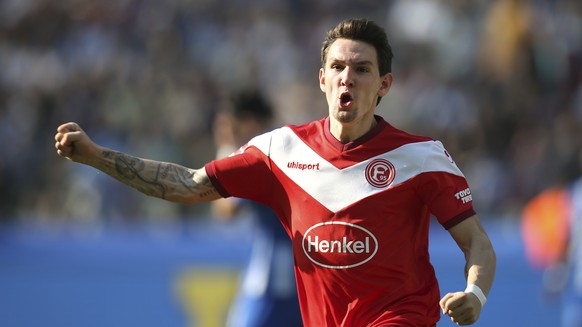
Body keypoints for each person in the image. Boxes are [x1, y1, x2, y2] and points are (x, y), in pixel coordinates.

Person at [54, 18, 496, 326]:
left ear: (384, 85)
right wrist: (96, 156)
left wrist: (474, 295)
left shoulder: (421, 156)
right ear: (321, 79)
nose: (348, 79)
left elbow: (475, 240)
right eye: (338, 68)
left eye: (362, 70)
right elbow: (188, 185)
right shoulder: (280, 150)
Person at [211, 91, 302, 327]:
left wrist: (225, 156)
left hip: (273, 279)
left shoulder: (259, 157)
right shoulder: (293, 149)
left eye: (227, 126)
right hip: (305, 279)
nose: (222, 134)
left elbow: (226, 211)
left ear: (248, 122)